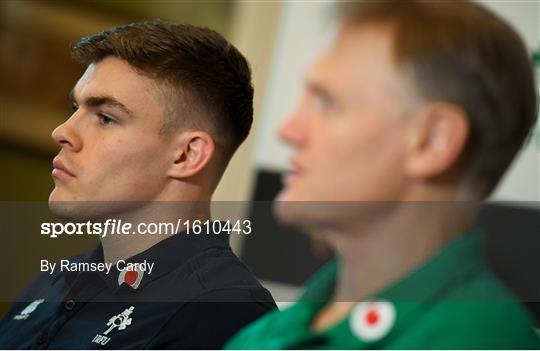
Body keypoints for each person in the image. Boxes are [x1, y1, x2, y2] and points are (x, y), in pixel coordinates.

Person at [226, 0, 540, 349]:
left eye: (328, 102)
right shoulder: (263, 335)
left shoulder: (481, 340)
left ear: (432, 141)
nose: (288, 130)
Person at [0, 20, 275, 349]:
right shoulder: (54, 281)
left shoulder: (223, 313)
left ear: (186, 155)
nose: (62, 132)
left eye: (106, 117)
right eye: (76, 107)